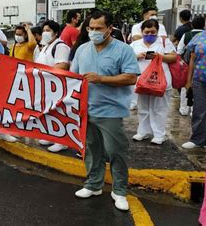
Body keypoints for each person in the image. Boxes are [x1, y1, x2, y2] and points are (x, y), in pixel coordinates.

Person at [71, 11, 140, 211]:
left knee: (115, 151)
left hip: (111, 111)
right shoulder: (83, 50)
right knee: (92, 150)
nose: (93, 32)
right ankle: (93, 185)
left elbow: (131, 77)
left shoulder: (123, 50)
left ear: (110, 28)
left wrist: (101, 79)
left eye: (98, 28)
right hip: (87, 110)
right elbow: (73, 77)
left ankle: (119, 191)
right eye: (90, 28)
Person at [131, 19, 177, 145]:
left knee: (159, 108)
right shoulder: (135, 44)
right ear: (142, 31)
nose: (150, 35)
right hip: (142, 81)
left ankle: (159, 134)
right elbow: (128, 57)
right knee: (143, 107)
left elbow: (173, 57)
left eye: (153, 32)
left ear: (157, 31)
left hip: (160, 81)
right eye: (147, 32)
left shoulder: (164, 42)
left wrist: (159, 56)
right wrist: (137, 56)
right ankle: (143, 131)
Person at [35, 20, 71, 152]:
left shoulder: (60, 46)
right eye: (44, 30)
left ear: (56, 33)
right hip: (46, 85)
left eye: (48, 30)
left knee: (60, 113)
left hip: (58, 86)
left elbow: (62, 65)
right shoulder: (45, 47)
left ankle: (62, 141)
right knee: (49, 112)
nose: (45, 33)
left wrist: (43, 70)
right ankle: (52, 135)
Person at [181, 30, 206, 149]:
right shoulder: (199, 36)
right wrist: (189, 81)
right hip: (199, 79)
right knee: (199, 110)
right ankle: (198, 139)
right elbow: (192, 59)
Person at [177, 16, 205, 116]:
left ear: (192, 24)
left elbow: (179, 50)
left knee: (186, 87)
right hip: (202, 68)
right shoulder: (205, 36)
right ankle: (194, 110)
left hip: (187, 65)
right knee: (200, 90)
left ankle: (184, 109)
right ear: (204, 25)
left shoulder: (187, 35)